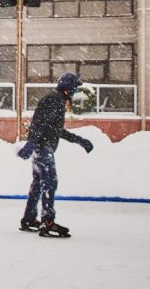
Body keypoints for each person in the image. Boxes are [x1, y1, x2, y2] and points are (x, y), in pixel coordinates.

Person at [15, 72, 94, 237]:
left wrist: (78, 140)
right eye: (75, 88)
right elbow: (39, 122)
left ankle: (29, 219)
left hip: (41, 147)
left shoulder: (57, 100)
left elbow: (56, 129)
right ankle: (48, 221)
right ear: (68, 88)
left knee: (39, 183)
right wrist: (31, 142)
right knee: (50, 182)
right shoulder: (55, 100)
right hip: (43, 148)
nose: (75, 91)